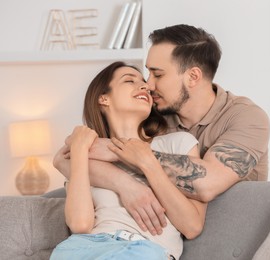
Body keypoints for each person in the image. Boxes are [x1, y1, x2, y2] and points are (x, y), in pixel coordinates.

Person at [54, 24, 270, 236]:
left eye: (158, 75)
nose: (148, 85)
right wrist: (126, 185)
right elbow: (63, 160)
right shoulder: (155, 115)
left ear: (193, 77)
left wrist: (116, 150)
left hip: (231, 238)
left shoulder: (247, 118)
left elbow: (206, 184)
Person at [50, 62, 207, 260]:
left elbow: (192, 226)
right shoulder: (89, 156)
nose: (145, 86)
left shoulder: (178, 144)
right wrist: (80, 148)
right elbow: (80, 225)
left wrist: (146, 164)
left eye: (144, 82)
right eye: (129, 81)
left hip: (145, 250)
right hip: (85, 247)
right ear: (103, 99)